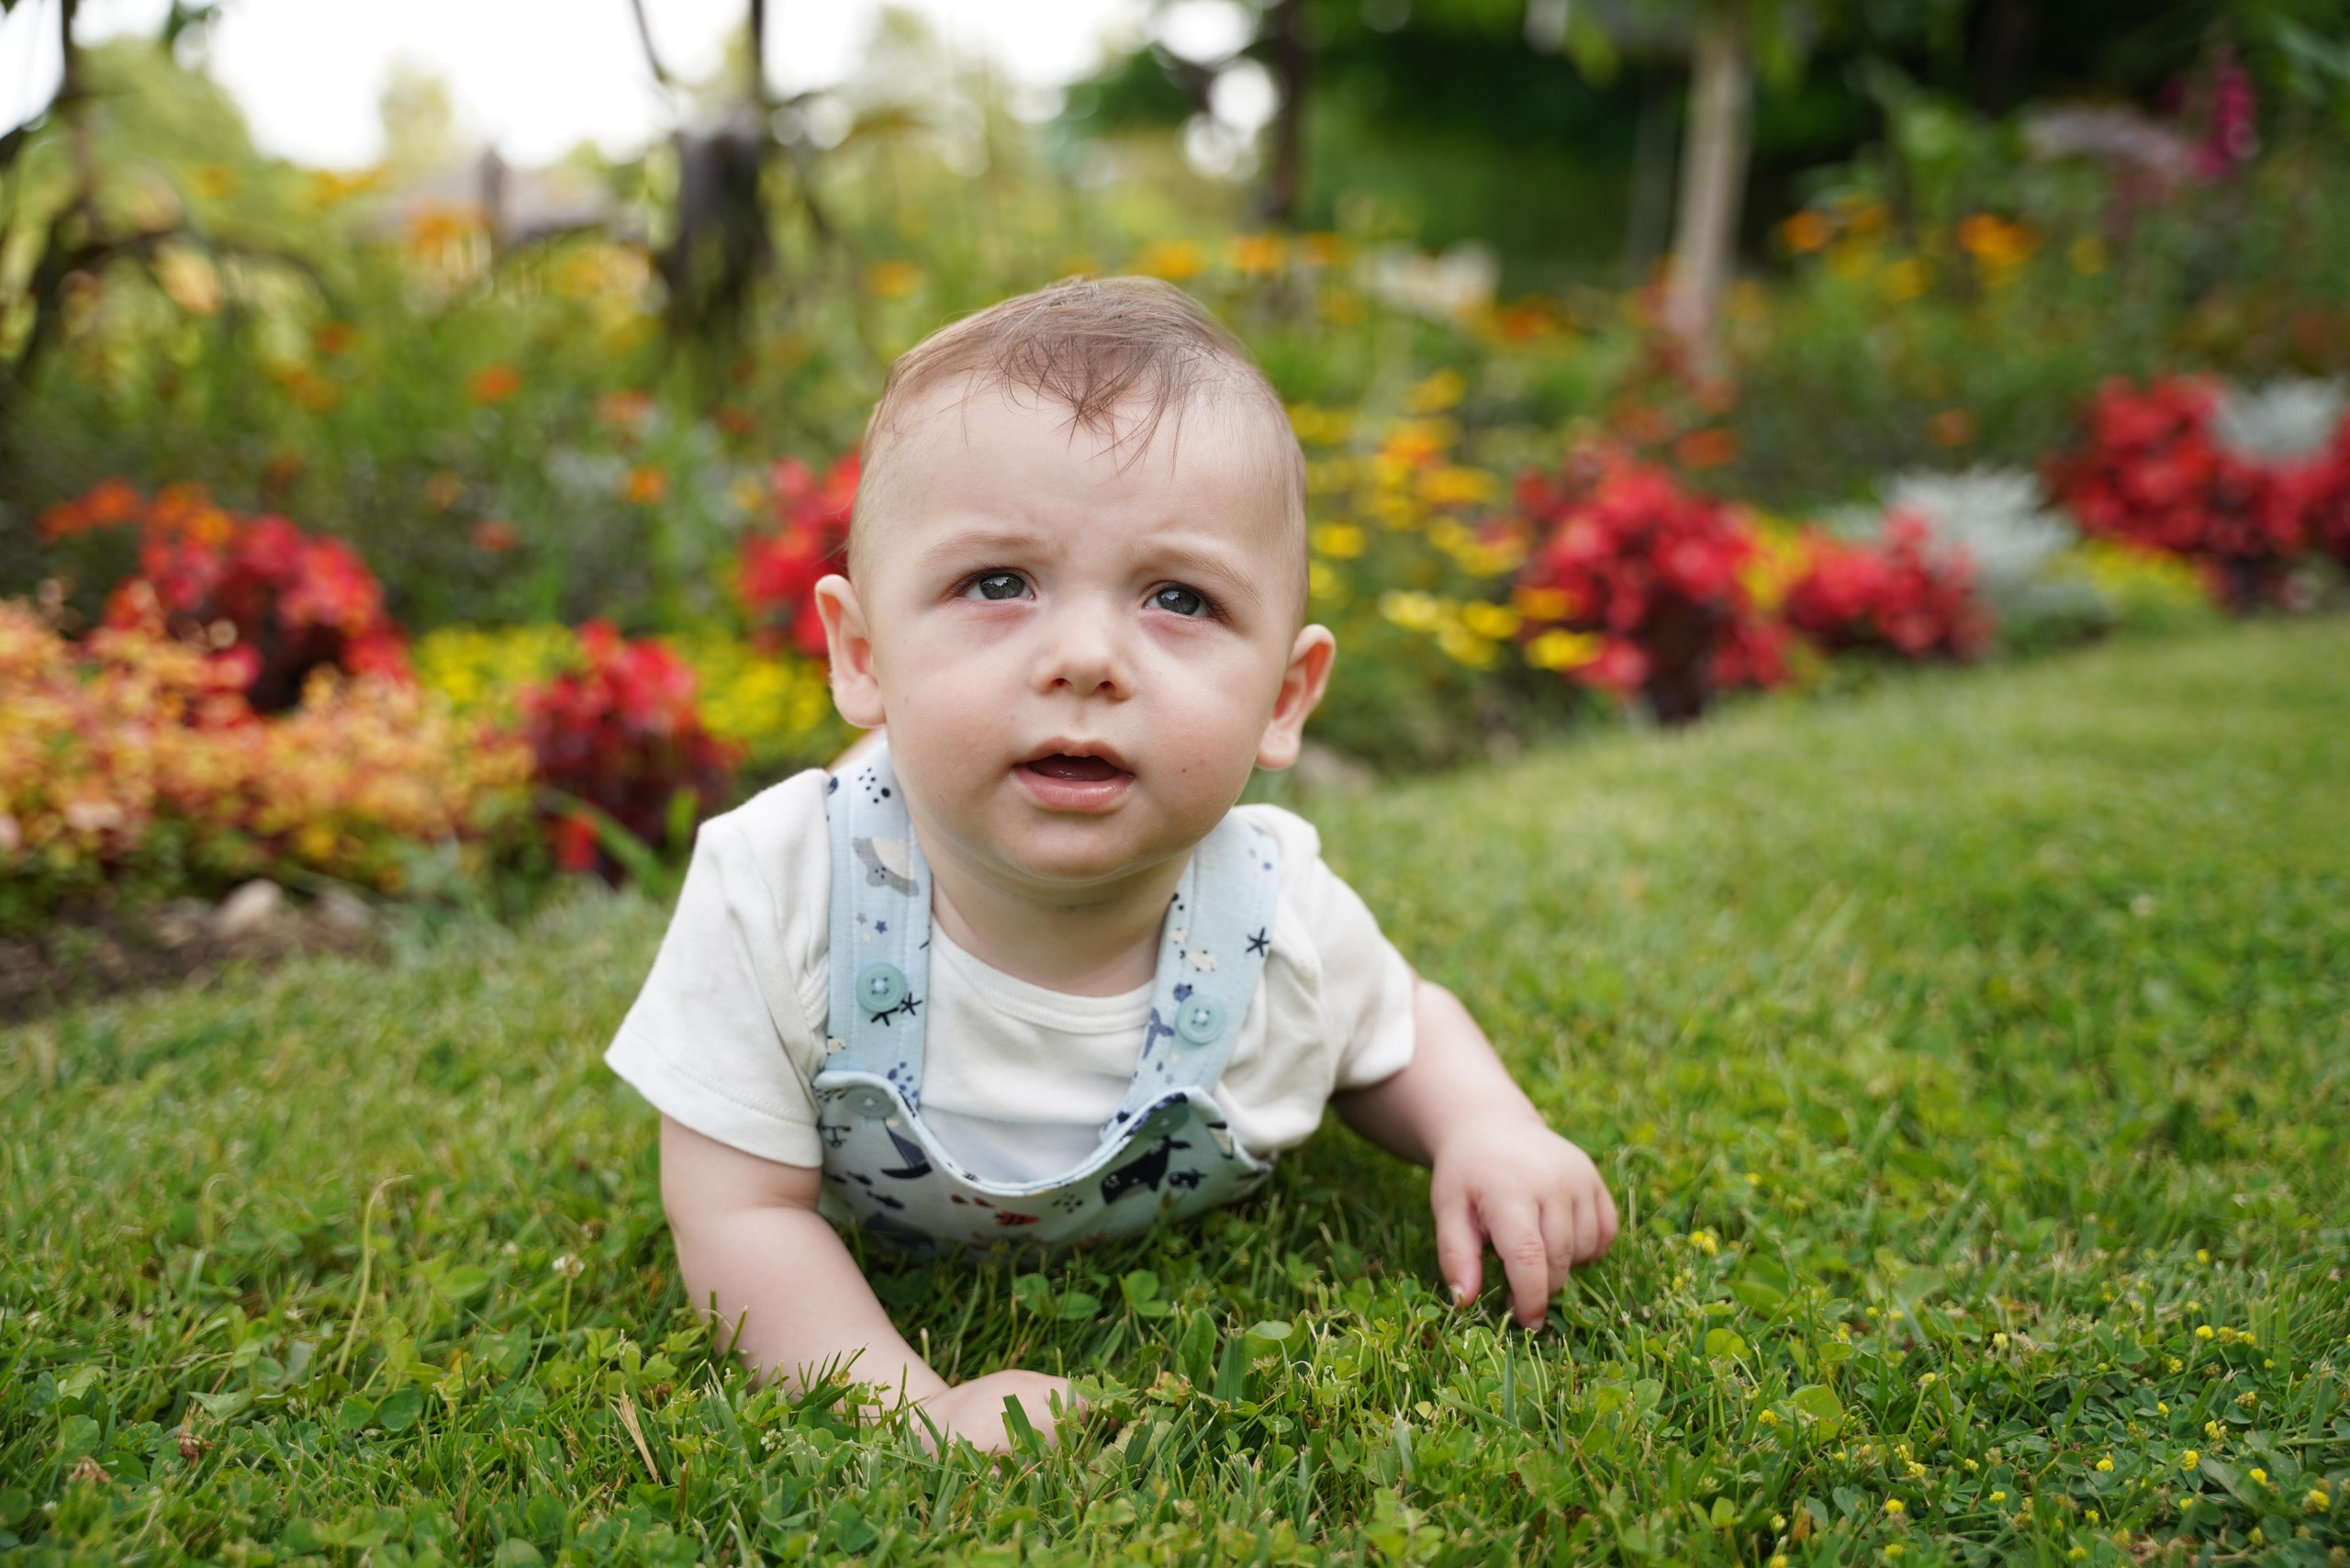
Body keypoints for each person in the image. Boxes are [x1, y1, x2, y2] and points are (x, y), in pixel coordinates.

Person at [606, 275, 1618, 1453]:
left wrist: (1485, 1128)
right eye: (997, 584)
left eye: (1177, 598)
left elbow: (1394, 1028)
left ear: (1283, 700)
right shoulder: (778, 890)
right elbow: (738, 1210)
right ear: (862, 655)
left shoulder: (1274, 907)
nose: (1085, 657)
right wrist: (910, 1407)